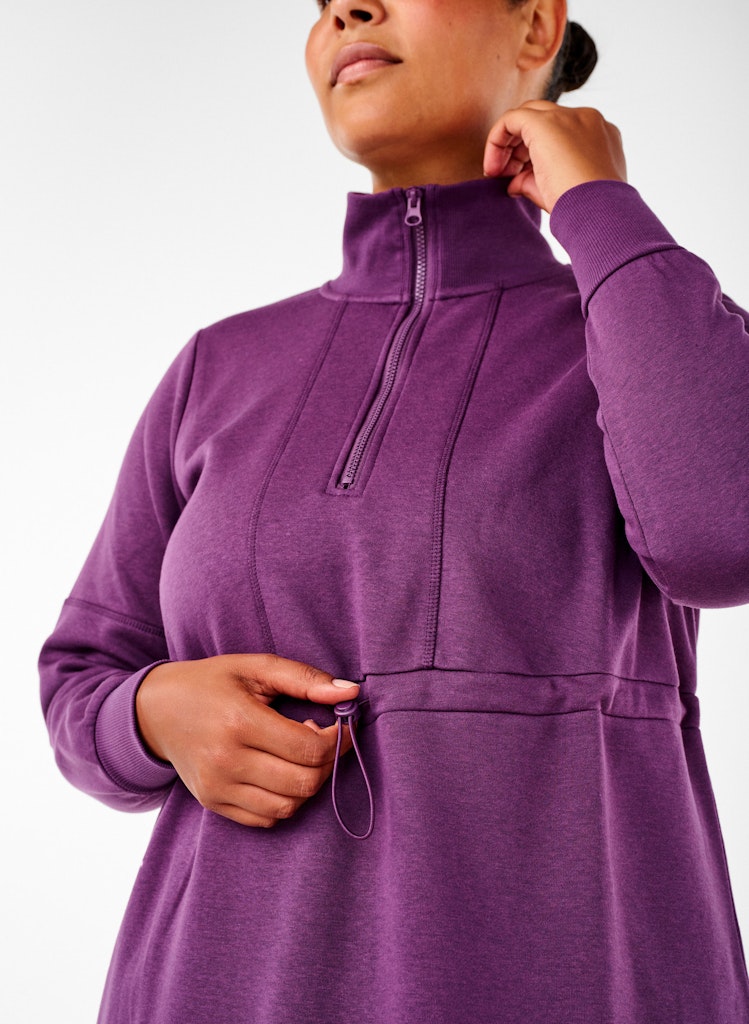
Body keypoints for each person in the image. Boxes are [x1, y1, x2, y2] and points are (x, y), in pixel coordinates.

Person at [39, 0, 749, 1021]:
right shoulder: (219, 366)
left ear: (536, 27)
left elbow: (721, 535)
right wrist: (153, 713)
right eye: (322, 1)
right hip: (218, 983)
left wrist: (598, 205)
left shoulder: (641, 326)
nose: (347, 11)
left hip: (567, 980)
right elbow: (81, 672)